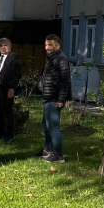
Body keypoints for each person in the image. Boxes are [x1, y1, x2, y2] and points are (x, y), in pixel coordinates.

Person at [38, 34, 71, 162]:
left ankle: (58, 155)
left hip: (54, 98)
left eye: (50, 45)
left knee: (53, 127)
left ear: (57, 45)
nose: (47, 47)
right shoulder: (51, 57)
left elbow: (64, 81)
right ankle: (48, 150)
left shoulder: (61, 59)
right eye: (45, 44)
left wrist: (61, 99)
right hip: (48, 97)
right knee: (47, 126)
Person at [0, 38, 22, 145]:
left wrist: (12, 88)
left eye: (5, 45)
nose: (3, 47)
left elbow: (16, 75)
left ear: (10, 46)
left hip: (7, 90)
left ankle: (9, 135)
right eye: (1, 45)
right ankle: (0, 133)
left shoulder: (15, 58)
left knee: (8, 113)